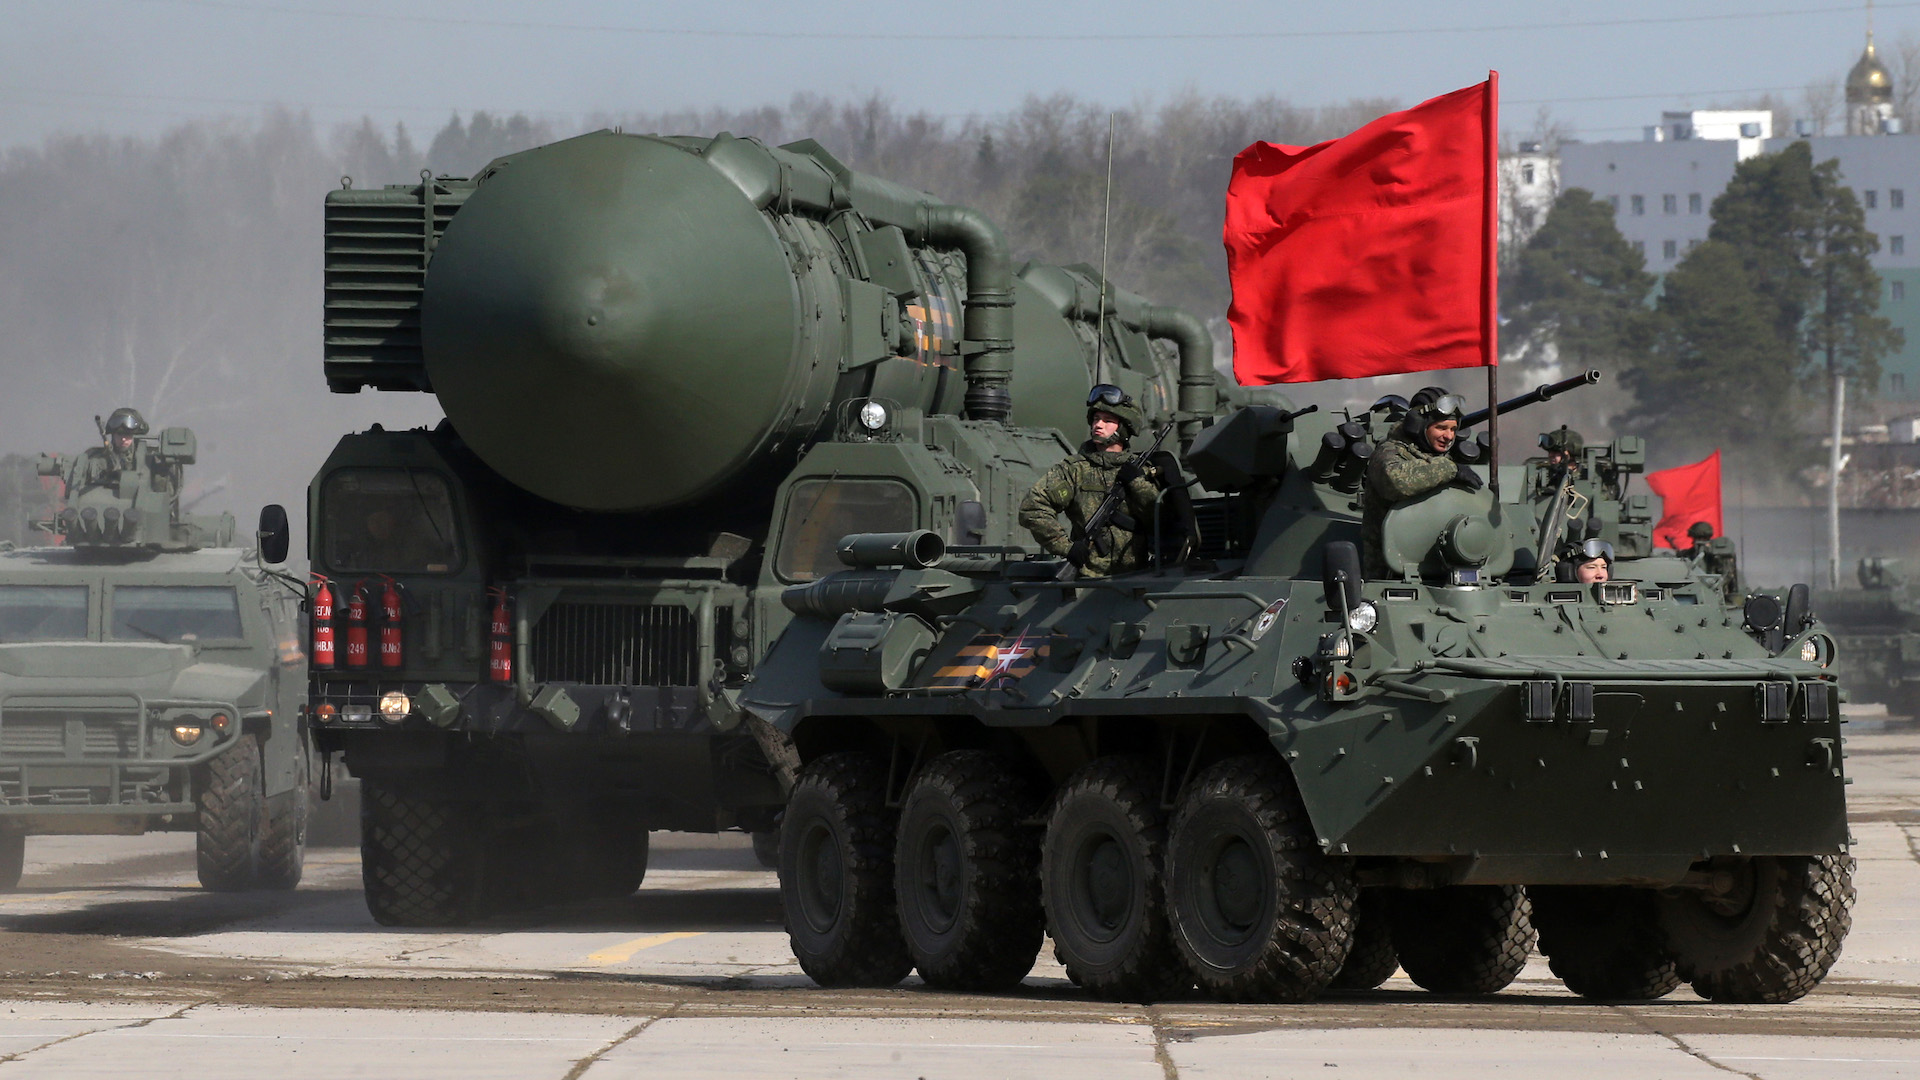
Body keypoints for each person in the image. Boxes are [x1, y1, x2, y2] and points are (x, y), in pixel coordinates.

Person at [1020, 385, 1164, 578]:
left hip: (1136, 579)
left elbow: (1162, 519)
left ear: (1123, 427)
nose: (1098, 425)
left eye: (1108, 420)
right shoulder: (1075, 469)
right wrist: (1066, 547)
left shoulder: (1139, 471)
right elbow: (1032, 508)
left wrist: (1137, 484)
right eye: (1096, 419)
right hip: (1088, 579)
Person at [1361, 388, 1482, 577]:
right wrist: (1450, 469)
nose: (1449, 436)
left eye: (1453, 429)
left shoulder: (1445, 458)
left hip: (1444, 570)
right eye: (1441, 428)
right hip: (1391, 575)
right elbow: (1397, 481)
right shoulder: (1388, 453)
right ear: (1418, 426)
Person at [67, 407, 148, 495]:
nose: (123, 439)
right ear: (113, 435)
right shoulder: (95, 456)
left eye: (127, 434)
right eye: (119, 434)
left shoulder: (146, 460)